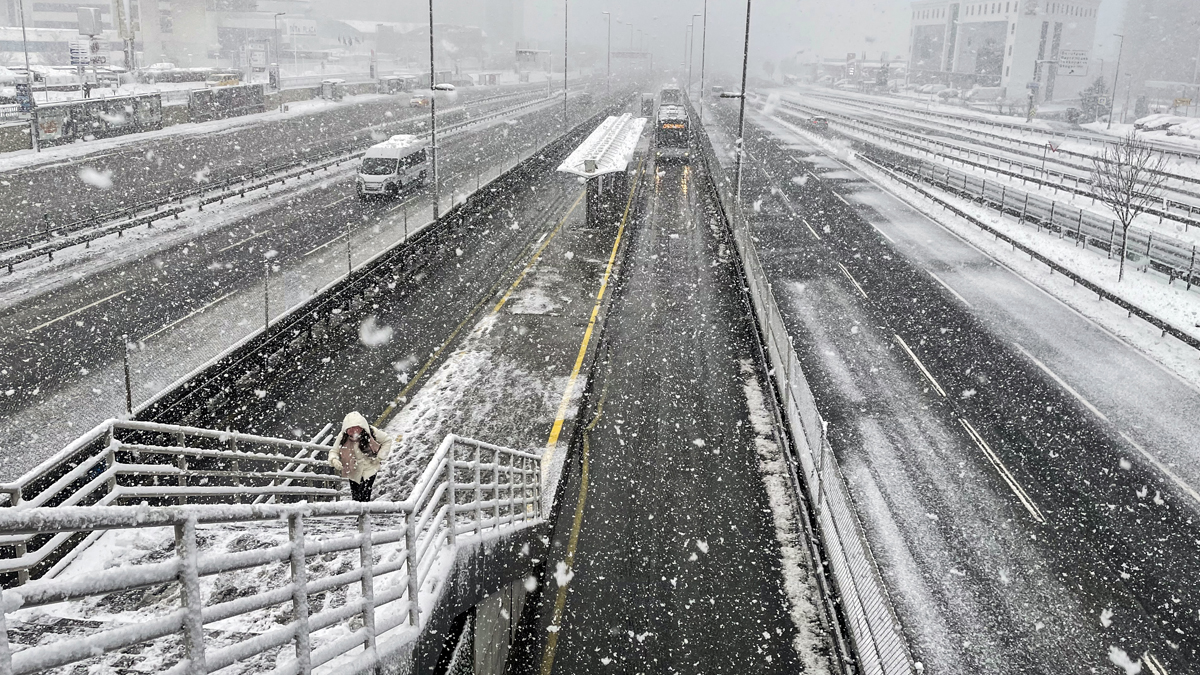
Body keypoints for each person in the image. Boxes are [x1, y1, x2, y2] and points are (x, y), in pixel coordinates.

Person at [329, 411, 394, 502]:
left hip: (370, 468)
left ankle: (364, 513)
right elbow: (334, 451)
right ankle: (359, 513)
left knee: (365, 494)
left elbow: (387, 440)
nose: (353, 432)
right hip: (353, 469)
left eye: (356, 428)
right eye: (350, 429)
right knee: (356, 496)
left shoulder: (371, 432)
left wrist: (379, 457)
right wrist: (334, 460)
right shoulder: (343, 437)